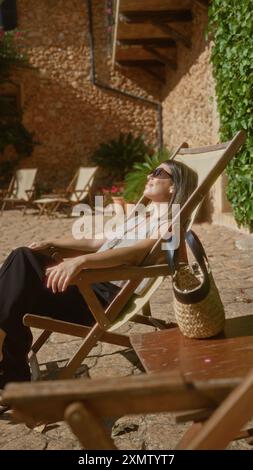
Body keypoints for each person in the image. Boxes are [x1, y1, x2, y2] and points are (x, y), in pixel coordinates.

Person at [0, 161, 198, 388]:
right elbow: (96, 240)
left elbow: (137, 254)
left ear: (174, 186)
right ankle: (12, 377)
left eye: (158, 173)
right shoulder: (139, 219)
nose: (148, 176)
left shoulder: (171, 226)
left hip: (99, 300)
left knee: (21, 268)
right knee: (17, 279)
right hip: (87, 288)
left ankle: (11, 370)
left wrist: (81, 262)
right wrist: (52, 242)